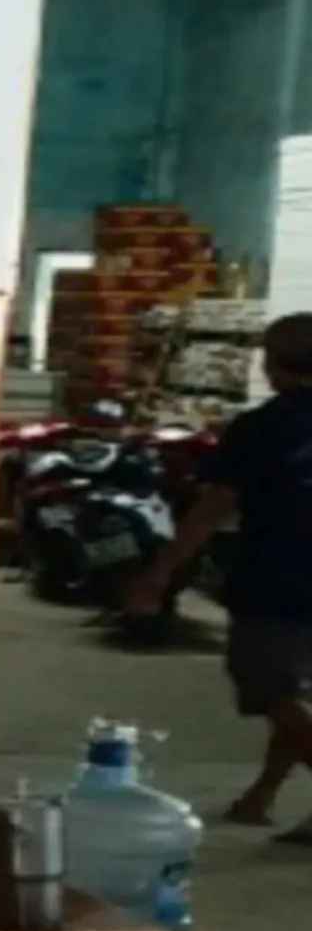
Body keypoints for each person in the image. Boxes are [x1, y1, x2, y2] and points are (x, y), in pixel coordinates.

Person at [127, 311, 312, 835]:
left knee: (272, 691)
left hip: (279, 580)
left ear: (273, 364)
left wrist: (159, 573)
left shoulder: (264, 426)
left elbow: (213, 507)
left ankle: (263, 795)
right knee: (290, 695)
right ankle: (260, 796)